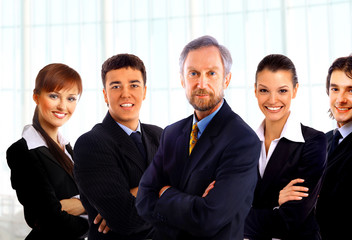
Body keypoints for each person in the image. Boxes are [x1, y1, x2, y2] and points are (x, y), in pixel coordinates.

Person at [135, 35, 260, 240]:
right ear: (182, 79)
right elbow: (143, 201)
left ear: (226, 79)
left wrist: (165, 193)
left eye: (211, 73)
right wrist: (192, 203)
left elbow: (208, 218)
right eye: (193, 73)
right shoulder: (171, 133)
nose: (202, 83)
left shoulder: (242, 141)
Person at [280, 53, 352, 239]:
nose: (340, 99)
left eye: (351, 91)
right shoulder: (325, 140)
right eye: (335, 89)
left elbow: (345, 222)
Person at [73, 53, 162, 240]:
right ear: (105, 94)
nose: (125, 93)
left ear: (144, 91)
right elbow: (126, 219)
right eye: (116, 86)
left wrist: (140, 193)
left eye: (134, 85)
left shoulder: (161, 136)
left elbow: (197, 190)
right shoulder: (91, 144)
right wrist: (169, 188)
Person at [243, 54, 326, 240]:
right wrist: (276, 203)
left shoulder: (313, 142)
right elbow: (219, 207)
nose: (273, 100)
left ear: (295, 90)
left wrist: (237, 214)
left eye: (282, 91)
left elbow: (289, 220)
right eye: (264, 90)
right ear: (255, 91)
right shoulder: (242, 144)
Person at [6, 63, 88, 240]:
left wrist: (81, 205)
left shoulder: (68, 149)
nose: (62, 106)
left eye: (71, 98)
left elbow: (95, 197)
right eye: (53, 96)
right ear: (36, 97)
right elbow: (49, 218)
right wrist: (93, 217)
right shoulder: (22, 151)